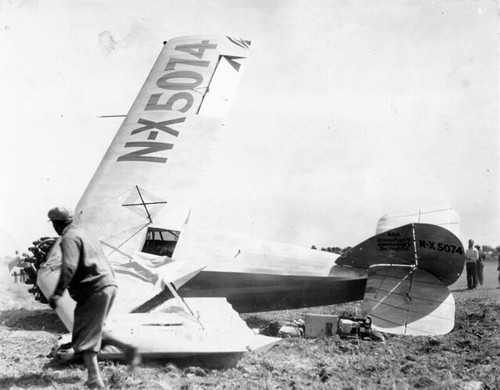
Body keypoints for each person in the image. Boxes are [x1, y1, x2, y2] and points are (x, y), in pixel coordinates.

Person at [47, 206, 140, 389]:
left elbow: (69, 267)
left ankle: (94, 380)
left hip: (94, 289)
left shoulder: (69, 238)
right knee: (94, 329)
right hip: (108, 285)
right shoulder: (85, 234)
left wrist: (57, 293)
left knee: (83, 335)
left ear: (57, 224)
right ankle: (129, 349)